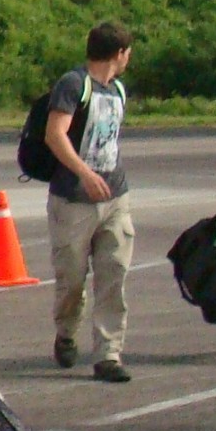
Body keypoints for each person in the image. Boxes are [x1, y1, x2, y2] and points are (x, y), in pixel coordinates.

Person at [45, 20, 136, 382]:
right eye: (128, 53)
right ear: (119, 53)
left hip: (116, 195)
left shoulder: (118, 90)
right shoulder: (73, 84)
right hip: (73, 199)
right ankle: (66, 332)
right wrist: (84, 173)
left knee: (114, 272)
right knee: (72, 278)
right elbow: (56, 134)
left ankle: (108, 353)